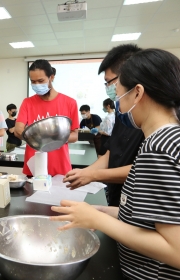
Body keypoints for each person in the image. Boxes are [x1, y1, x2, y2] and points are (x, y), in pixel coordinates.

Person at [51, 48, 180, 279]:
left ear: (138, 92)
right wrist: (99, 210)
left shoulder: (158, 148)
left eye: (119, 95)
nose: (118, 105)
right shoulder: (170, 139)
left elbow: (176, 251)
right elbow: (149, 220)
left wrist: (97, 219)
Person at [63, 44, 144, 207]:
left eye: (110, 83)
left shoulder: (161, 128)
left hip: (140, 203)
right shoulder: (123, 113)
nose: (110, 90)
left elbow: (146, 170)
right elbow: (112, 153)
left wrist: (94, 175)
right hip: (119, 199)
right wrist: (86, 172)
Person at [15, 59, 79, 177]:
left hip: (60, 167)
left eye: (41, 81)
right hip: (34, 167)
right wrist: (30, 136)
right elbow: (18, 129)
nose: (37, 85)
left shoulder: (70, 103)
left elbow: (75, 135)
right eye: (33, 82)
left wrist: (53, 137)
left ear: (51, 77)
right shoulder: (28, 103)